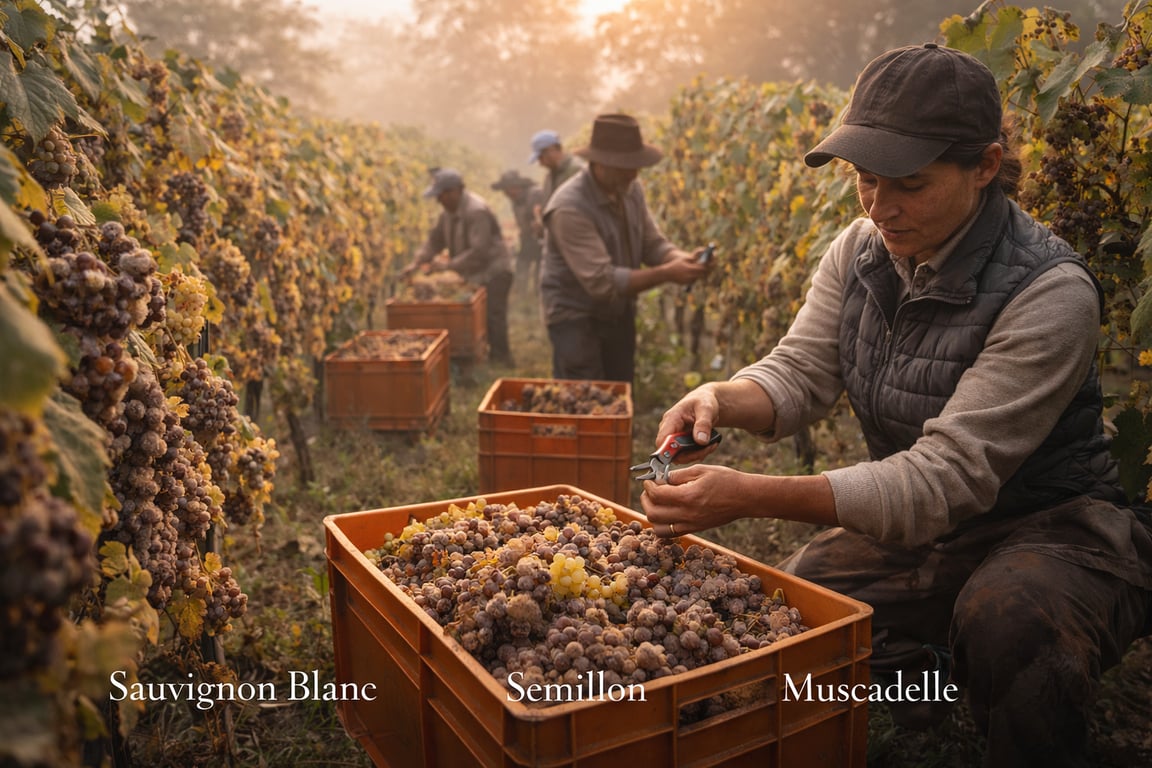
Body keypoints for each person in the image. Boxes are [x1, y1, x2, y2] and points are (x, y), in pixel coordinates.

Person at [639, 44, 1152, 768]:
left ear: (984, 166)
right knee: (800, 607)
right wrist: (717, 396)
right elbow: (800, 372)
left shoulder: (1051, 293)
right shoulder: (861, 249)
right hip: (927, 530)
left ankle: (1009, 683)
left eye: (908, 183)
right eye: (865, 179)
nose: (880, 206)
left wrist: (751, 495)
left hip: (1055, 525)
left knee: (1011, 622)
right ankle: (941, 673)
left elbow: (945, 478)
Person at [539, 114, 712, 383]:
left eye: (636, 165)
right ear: (598, 164)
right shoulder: (568, 208)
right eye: (625, 166)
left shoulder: (630, 188)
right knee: (585, 394)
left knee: (620, 386)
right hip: (574, 315)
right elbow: (602, 282)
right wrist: (668, 273)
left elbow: (651, 243)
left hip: (616, 309)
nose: (634, 173)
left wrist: (683, 259)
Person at [402, 168, 515, 366]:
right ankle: (481, 357)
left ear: (456, 191)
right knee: (479, 315)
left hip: (495, 269)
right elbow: (434, 241)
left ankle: (502, 359)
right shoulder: (448, 213)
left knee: (493, 314)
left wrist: (448, 265)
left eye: (442, 195)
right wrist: (417, 262)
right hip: (478, 270)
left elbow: (480, 251)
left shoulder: (476, 211)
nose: (439, 200)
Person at [490, 170, 544, 296]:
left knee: (540, 268)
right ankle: (521, 295)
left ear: (516, 187)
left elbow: (540, 217)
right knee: (522, 264)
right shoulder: (516, 200)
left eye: (507, 189)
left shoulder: (535, 194)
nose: (505, 193)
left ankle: (537, 295)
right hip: (527, 237)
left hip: (541, 237)